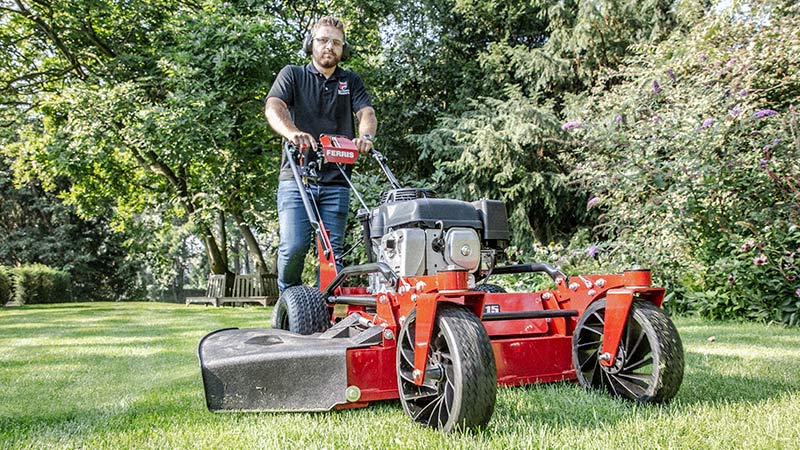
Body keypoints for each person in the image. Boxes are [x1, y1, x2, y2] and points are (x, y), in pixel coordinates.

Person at [265, 16, 378, 293]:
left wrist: (365, 137)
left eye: (336, 43)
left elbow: (366, 112)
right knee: (293, 247)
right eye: (323, 40)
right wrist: (293, 132)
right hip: (297, 178)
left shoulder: (350, 81)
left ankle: (324, 310)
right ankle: (288, 301)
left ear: (343, 49)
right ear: (310, 44)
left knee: (332, 254)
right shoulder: (293, 75)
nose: (330, 47)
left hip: (336, 180)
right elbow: (274, 107)